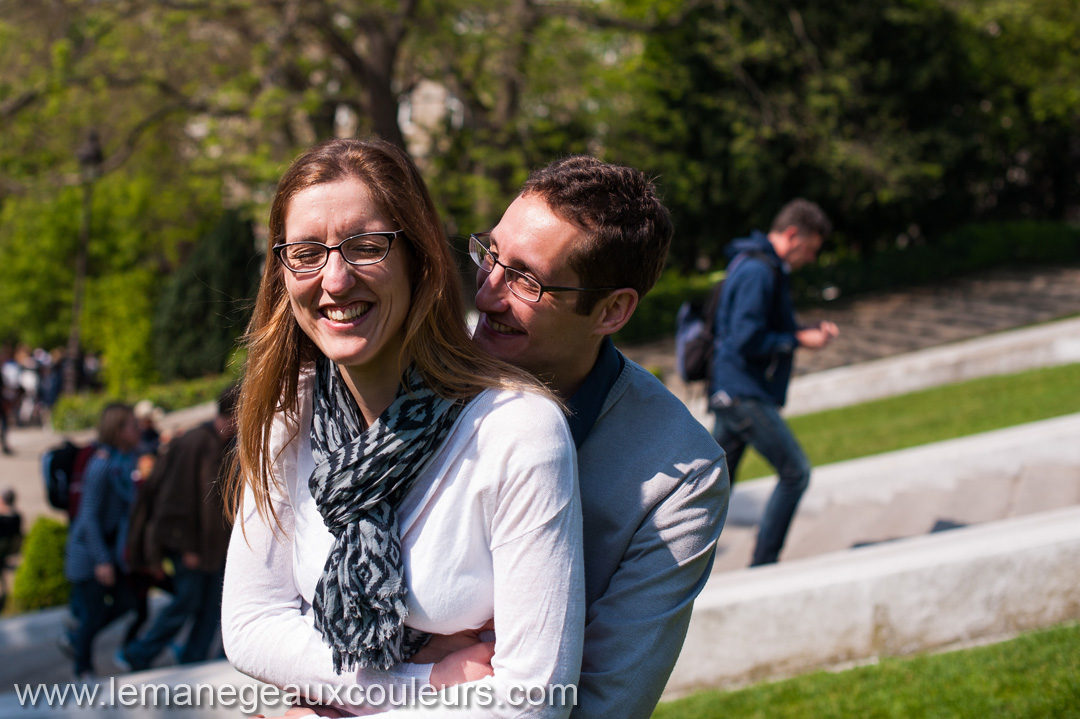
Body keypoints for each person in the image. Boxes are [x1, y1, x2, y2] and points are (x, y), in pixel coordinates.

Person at [220, 138, 584, 717]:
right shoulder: (287, 418)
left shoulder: (516, 431)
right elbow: (249, 625)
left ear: (418, 258)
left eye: (366, 247)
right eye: (307, 252)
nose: (335, 281)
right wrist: (422, 680)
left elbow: (533, 699)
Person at [454, 155, 728, 719]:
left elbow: (607, 703)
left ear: (611, 310)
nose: (487, 293)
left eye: (526, 279)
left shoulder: (680, 475)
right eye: (491, 255)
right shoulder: (420, 367)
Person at [708, 198, 839, 567]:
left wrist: (801, 332)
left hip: (733, 391)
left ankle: (671, 564)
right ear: (794, 235)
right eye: (811, 249)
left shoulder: (759, 266)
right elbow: (746, 339)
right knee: (795, 472)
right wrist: (798, 340)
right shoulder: (759, 272)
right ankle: (765, 564)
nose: (810, 259)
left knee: (710, 492)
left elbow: (755, 330)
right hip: (742, 394)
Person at [118, 384, 239, 671]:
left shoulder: (223, 443)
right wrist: (186, 547)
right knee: (186, 602)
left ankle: (192, 659)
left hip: (212, 547)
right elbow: (176, 499)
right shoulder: (198, 442)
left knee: (211, 607)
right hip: (191, 547)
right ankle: (138, 654)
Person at [63, 402, 141, 680]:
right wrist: (102, 561)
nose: (139, 430)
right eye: (133, 425)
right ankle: (82, 666)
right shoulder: (101, 465)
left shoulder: (123, 462)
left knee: (125, 603)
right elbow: (88, 518)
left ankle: (78, 638)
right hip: (90, 554)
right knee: (94, 613)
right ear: (118, 431)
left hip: (106, 551)